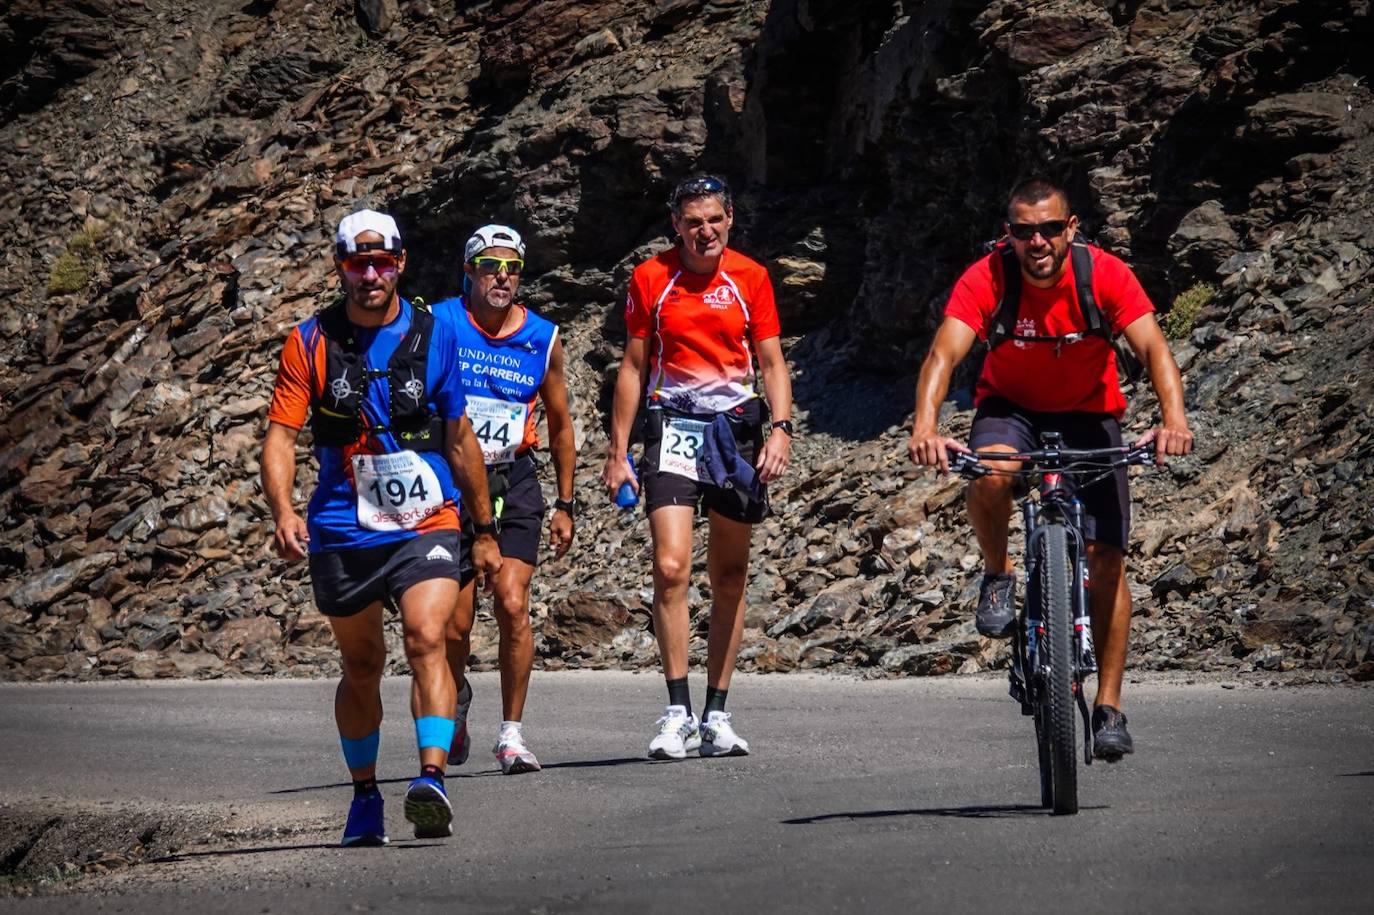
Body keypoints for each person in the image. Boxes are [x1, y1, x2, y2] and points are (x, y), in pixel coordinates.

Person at [907, 177, 1193, 760]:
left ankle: (1109, 706)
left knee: (1106, 559)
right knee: (990, 473)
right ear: (1006, 234)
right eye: (1022, 230)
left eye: (1048, 229)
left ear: (1071, 228)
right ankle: (998, 574)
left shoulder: (1103, 274)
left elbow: (1154, 348)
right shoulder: (987, 278)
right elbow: (945, 352)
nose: (1036, 241)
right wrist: (925, 426)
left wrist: (1173, 421)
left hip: (1091, 415)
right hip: (1010, 411)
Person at [261, 209, 502, 845]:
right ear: (340, 266)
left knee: (427, 638)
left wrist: (483, 528)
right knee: (363, 665)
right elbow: (281, 438)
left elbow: (460, 437)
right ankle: (365, 794)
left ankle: (431, 780)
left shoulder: (435, 334)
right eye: (356, 262)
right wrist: (284, 511)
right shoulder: (309, 341)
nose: (370, 273)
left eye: (382, 261)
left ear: (400, 263)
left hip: (428, 518)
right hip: (344, 525)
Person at [601, 175, 794, 760]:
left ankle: (717, 711)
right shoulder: (652, 278)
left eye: (713, 219)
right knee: (670, 564)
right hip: (672, 427)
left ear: (729, 218)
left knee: (730, 575)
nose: (703, 231)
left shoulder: (752, 277)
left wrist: (781, 429)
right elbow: (633, 367)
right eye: (692, 222)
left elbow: (770, 360)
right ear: (676, 225)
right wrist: (617, 452)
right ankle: (676, 711)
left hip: (734, 430)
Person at [431, 224, 577, 775]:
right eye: (490, 266)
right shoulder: (441, 322)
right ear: (468, 272)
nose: (502, 277)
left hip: (514, 476)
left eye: (512, 267)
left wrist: (566, 502)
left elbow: (561, 425)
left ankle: (511, 735)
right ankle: (456, 702)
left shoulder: (543, 336)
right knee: (454, 627)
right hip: (451, 481)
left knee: (513, 602)